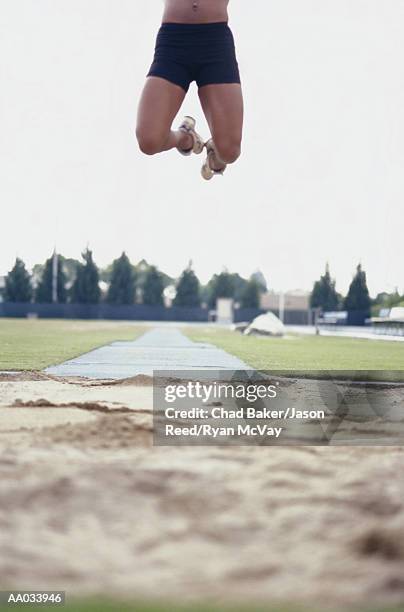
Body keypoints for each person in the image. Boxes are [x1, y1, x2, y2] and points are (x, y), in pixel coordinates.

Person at [136, 0, 243, 180]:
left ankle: (214, 156)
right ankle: (185, 137)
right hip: (173, 43)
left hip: (214, 43)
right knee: (148, 140)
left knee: (229, 152)